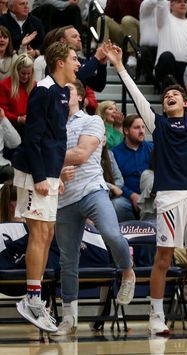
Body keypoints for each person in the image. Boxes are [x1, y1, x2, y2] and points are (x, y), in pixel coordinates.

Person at [105, 41, 187, 335]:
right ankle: (156, 316)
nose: (169, 96)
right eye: (166, 95)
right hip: (168, 198)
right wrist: (119, 66)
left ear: (185, 103)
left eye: (175, 95)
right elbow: (136, 94)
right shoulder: (157, 124)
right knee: (164, 258)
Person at [53, 79, 136, 336]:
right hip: (64, 199)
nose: (64, 96)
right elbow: (42, 165)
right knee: (68, 260)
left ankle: (128, 271)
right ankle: (69, 318)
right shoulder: (52, 127)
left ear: (81, 97)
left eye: (69, 91)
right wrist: (56, 175)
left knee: (111, 234)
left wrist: (49, 153)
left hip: (92, 190)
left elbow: (80, 154)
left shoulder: (92, 121)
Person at [13, 42, 81, 333]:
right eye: (74, 58)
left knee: (48, 232)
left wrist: (57, 175)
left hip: (49, 172)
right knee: (39, 234)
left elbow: (56, 138)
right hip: (33, 172)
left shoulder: (63, 92)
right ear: (59, 62)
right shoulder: (43, 90)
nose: (78, 63)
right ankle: (32, 298)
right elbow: (33, 139)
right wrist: (41, 176)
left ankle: (35, 297)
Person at [112, 115, 153, 222]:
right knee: (117, 204)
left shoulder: (152, 149)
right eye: (137, 128)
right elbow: (114, 180)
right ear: (126, 130)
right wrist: (132, 195)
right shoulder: (115, 153)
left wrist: (143, 198)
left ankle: (150, 232)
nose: (142, 131)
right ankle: (128, 235)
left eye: (143, 127)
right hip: (127, 198)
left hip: (149, 197)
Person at [0, 53, 35, 136]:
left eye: (28, 74)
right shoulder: (4, 85)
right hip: (11, 127)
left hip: (31, 127)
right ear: (16, 71)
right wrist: (18, 119)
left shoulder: (35, 85)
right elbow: (3, 111)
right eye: (23, 73)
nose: (26, 77)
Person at [0, 106, 20, 183]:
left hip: (1, 165)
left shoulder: (1, 121)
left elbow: (16, 143)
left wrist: (3, 119)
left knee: (13, 173)